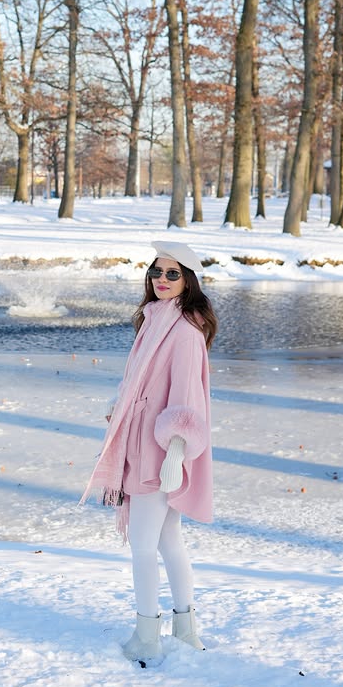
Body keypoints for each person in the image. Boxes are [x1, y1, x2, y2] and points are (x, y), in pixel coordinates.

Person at [81, 240, 217, 665]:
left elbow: (186, 400)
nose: (162, 280)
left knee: (143, 544)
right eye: (156, 272)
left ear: (188, 280)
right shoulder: (154, 321)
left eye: (172, 274)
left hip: (158, 452)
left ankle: (147, 636)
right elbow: (139, 380)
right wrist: (119, 403)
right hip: (143, 441)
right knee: (166, 540)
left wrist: (177, 451)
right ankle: (185, 629)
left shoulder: (184, 332)